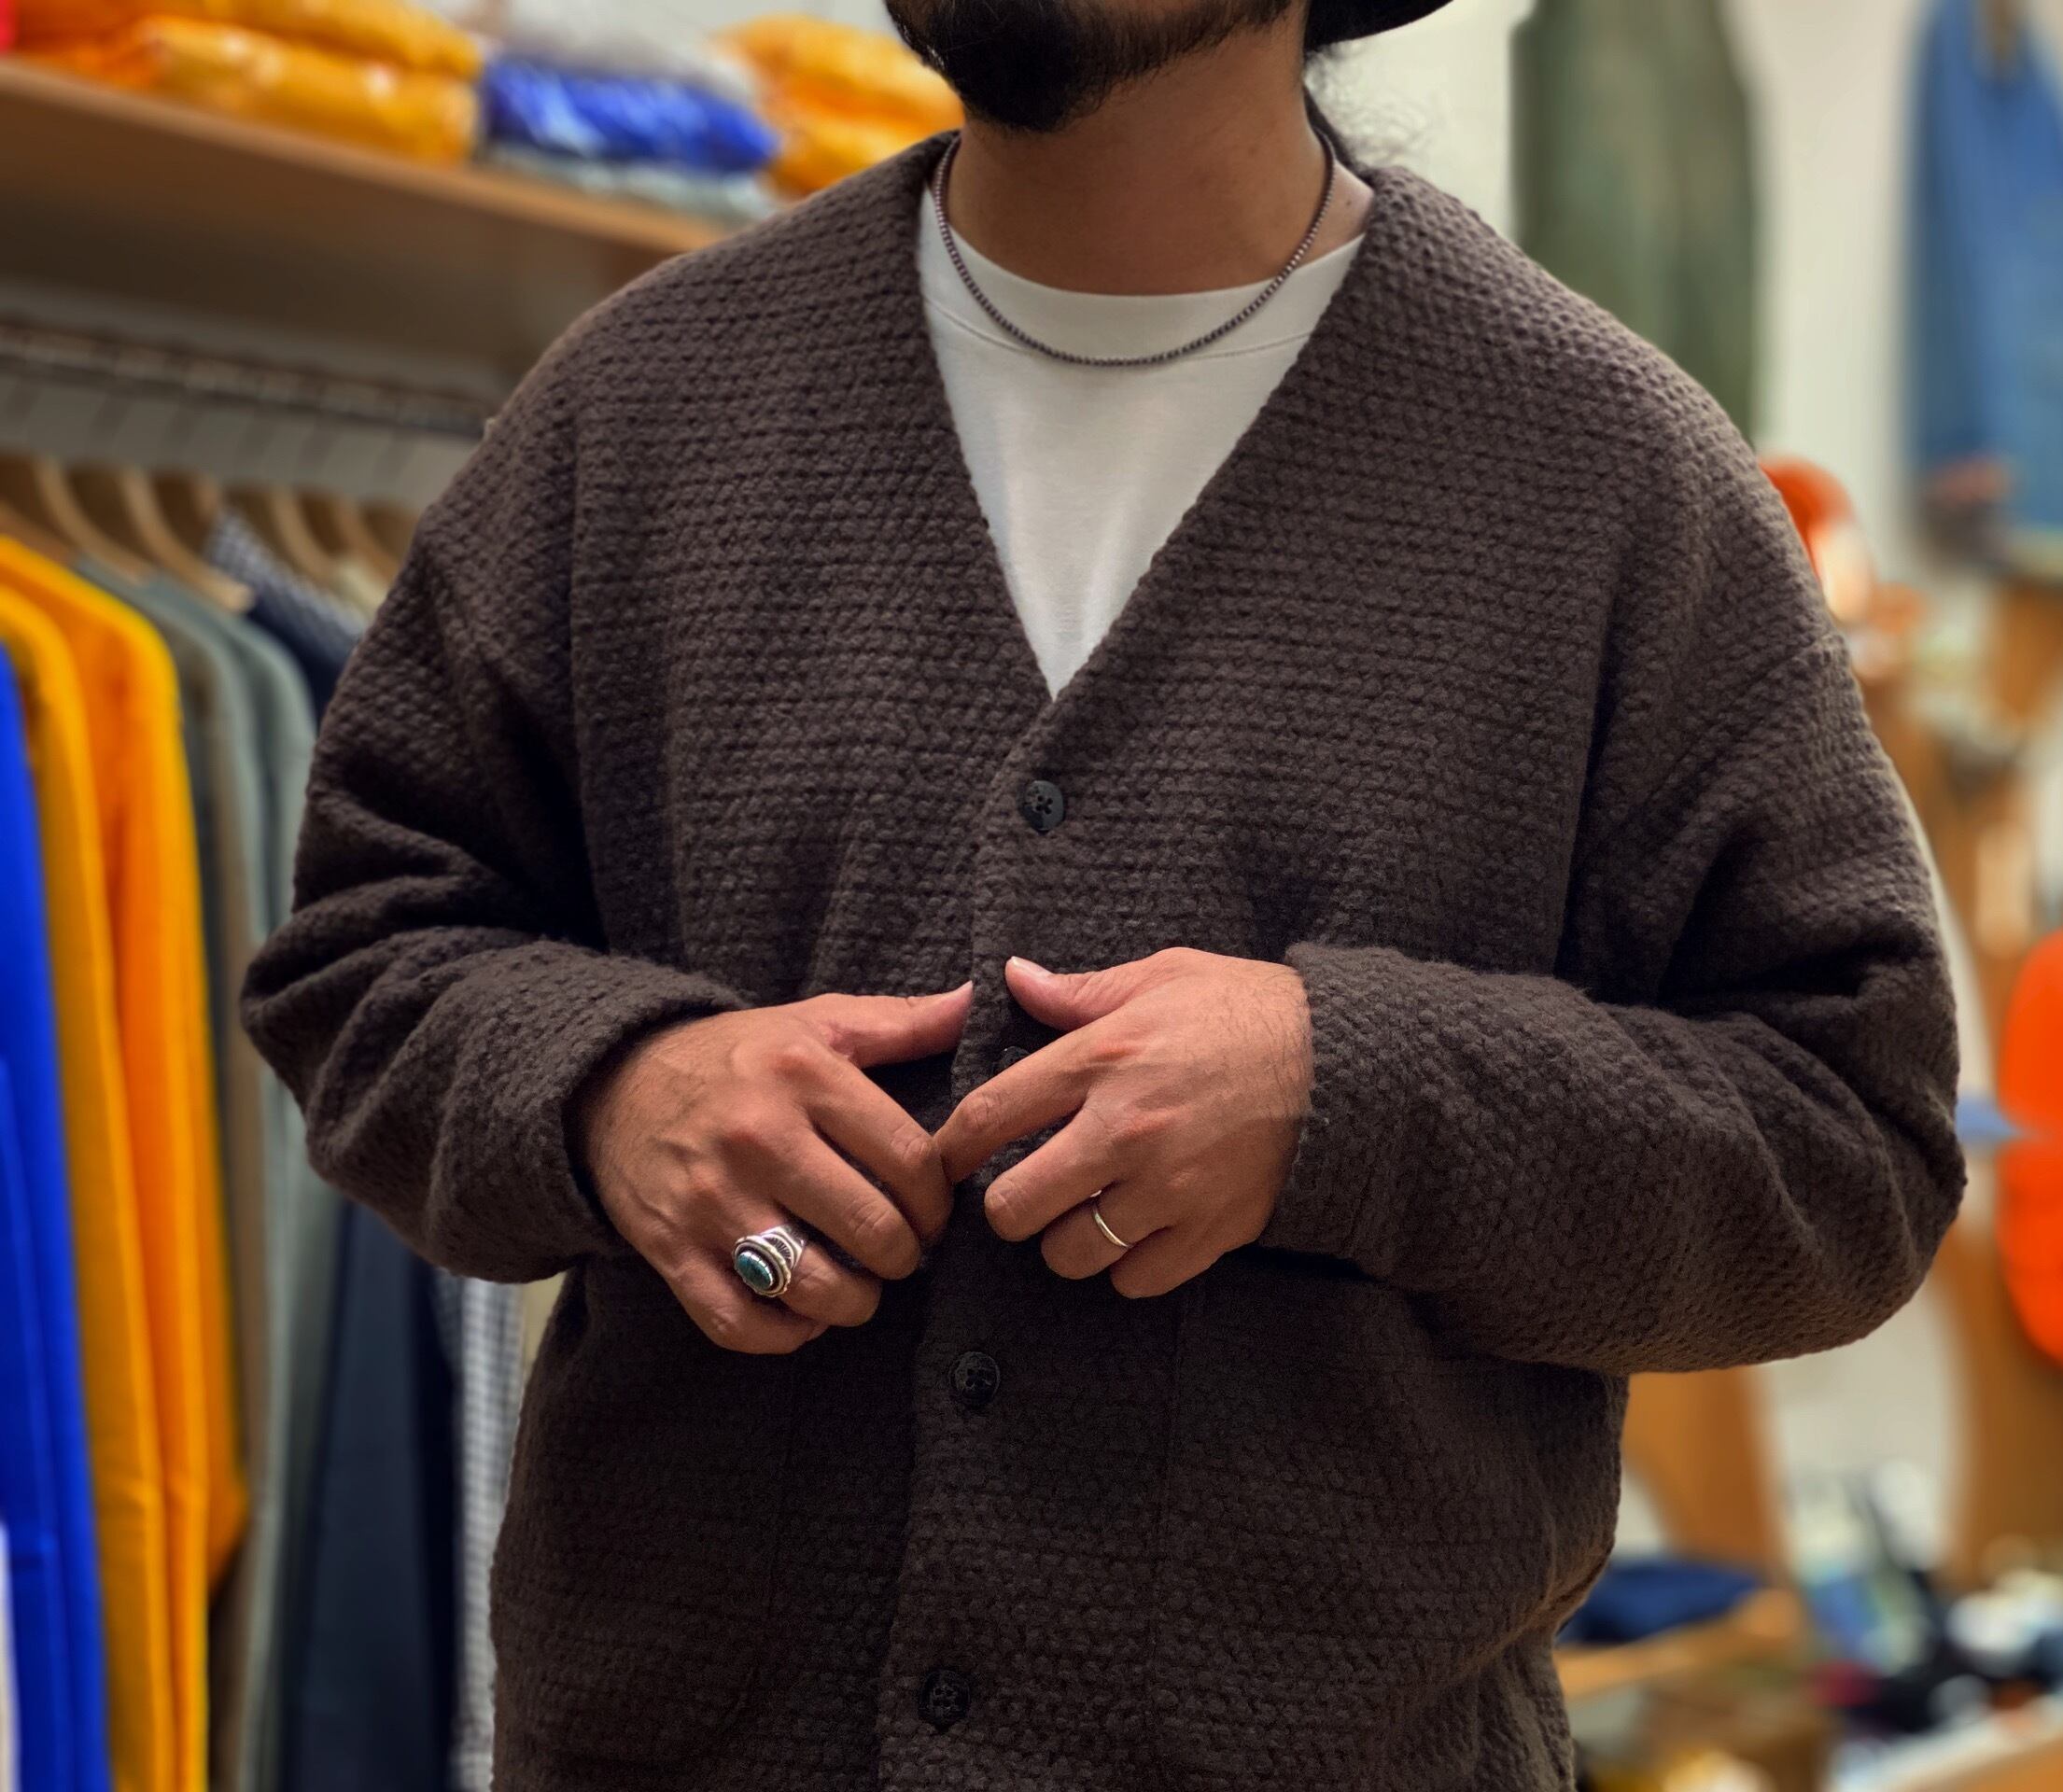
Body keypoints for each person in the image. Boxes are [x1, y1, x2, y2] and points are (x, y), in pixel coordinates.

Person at [242, 1, 1966, 1786]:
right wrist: (612, 1090)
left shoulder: (1603, 476)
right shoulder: (642, 412)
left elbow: (1852, 1144)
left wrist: (1349, 1095)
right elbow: (363, 953)